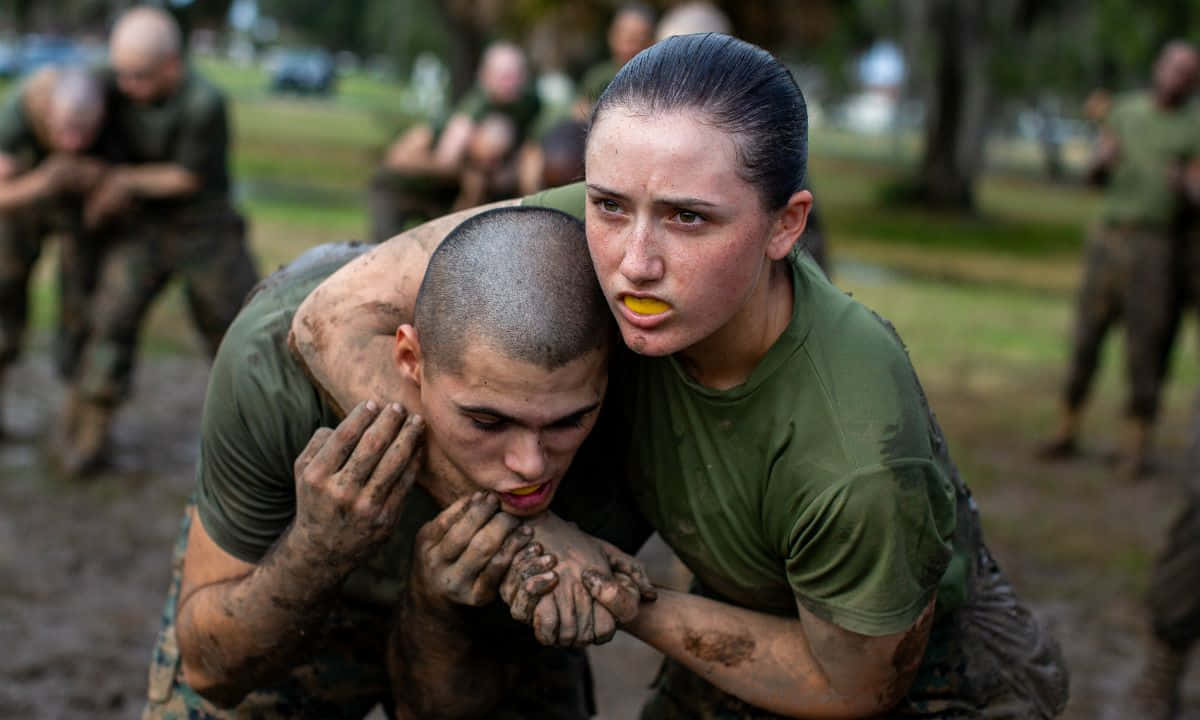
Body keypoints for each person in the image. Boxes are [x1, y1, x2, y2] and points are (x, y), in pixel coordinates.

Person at [294, 33, 1069, 718]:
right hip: (743, 600)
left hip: (921, 674)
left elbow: (853, 684)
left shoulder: (855, 453)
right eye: (607, 204)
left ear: (786, 226)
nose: (634, 262)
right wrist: (536, 531)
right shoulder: (622, 222)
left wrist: (618, 593)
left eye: (689, 219)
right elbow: (328, 315)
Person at [141, 207, 655, 719]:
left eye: (566, 423)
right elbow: (212, 672)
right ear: (409, 360)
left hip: (480, 624)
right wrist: (316, 550)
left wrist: (440, 612)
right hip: (295, 582)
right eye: (487, 421)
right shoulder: (274, 371)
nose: (529, 465)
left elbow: (434, 710)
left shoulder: (637, 426)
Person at [59, 5, 259, 475]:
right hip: (142, 228)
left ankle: (256, 438)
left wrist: (120, 181)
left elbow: (185, 177)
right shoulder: (110, 81)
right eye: (122, 74)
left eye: (141, 77)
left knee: (236, 329)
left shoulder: (203, 102)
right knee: (110, 320)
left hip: (204, 230)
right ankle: (90, 433)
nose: (127, 87)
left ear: (172, 65)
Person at [1038, 41, 1200, 480]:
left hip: (1158, 247)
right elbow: (1093, 176)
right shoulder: (1125, 112)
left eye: (1189, 71)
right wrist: (1100, 161)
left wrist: (1187, 185)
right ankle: (1066, 427)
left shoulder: (1194, 125)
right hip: (1109, 240)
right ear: (1158, 67)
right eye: (1173, 67)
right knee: (1086, 336)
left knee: (1147, 344)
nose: (1178, 76)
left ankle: (1135, 445)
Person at [0, 66, 109, 436]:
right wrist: (47, 180)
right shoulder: (17, 114)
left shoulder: (110, 101)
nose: (75, 143)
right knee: (5, 293)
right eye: (65, 131)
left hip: (79, 214)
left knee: (84, 304)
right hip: (20, 205)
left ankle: (77, 422)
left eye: (85, 133)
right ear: (47, 112)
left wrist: (104, 183)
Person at [368, 41, 541, 241]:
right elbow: (402, 156)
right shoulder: (468, 114)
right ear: (486, 75)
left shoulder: (527, 107)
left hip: (443, 195)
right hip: (397, 189)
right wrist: (466, 164)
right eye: (504, 76)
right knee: (385, 251)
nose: (510, 83)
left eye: (515, 75)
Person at [574, 4, 656, 118]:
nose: (627, 48)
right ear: (611, 37)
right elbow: (579, 111)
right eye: (623, 38)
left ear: (652, 41)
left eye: (637, 40)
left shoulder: (658, 78)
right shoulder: (598, 77)